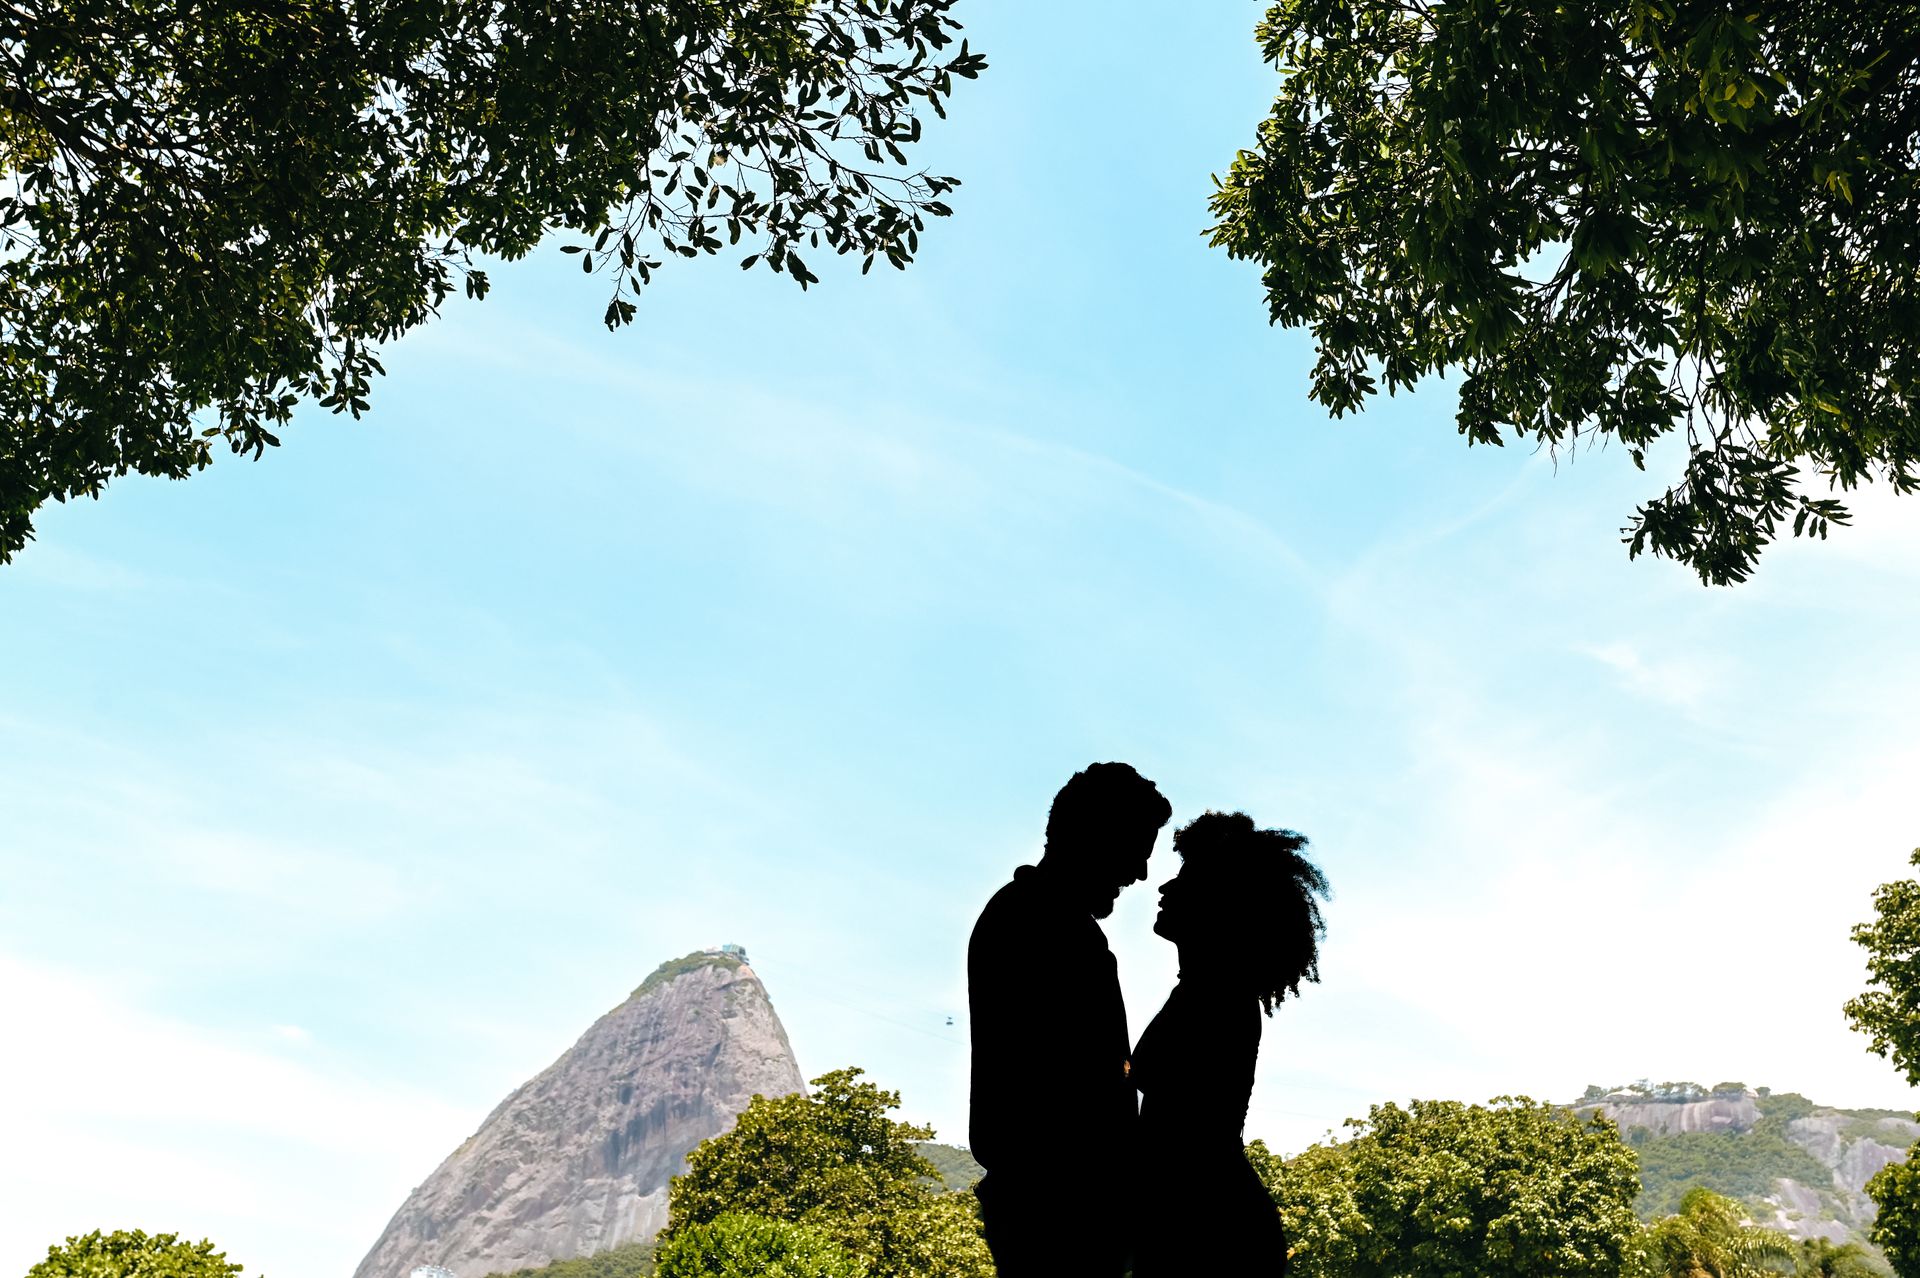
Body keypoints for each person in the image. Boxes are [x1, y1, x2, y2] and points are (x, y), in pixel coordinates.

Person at [967, 762, 1173, 1278]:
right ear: (1094, 835)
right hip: (1060, 1214)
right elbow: (1084, 1090)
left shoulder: (1034, 916)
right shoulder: (1044, 924)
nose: (1141, 874)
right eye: (1136, 850)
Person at [1129, 811, 1329, 1276]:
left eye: (1185, 881)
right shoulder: (1209, 992)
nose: (1164, 889)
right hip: (1208, 1222)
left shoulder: (1215, 996)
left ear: (1221, 903)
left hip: (1207, 1231)